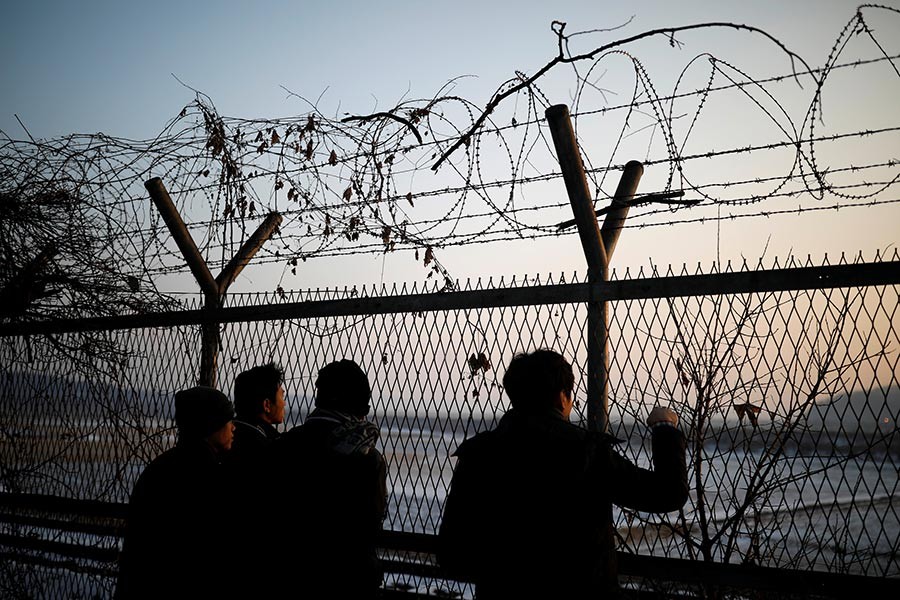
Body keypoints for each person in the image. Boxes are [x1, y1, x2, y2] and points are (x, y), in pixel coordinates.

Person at [438, 349, 689, 599]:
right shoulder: (587, 451)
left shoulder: (479, 453)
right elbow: (668, 493)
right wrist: (664, 427)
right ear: (562, 398)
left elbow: (452, 555)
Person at [276, 359, 388, 599]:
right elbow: (371, 521)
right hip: (347, 579)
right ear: (360, 406)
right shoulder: (367, 458)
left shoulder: (281, 446)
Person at [115, 386, 235, 600]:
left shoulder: (159, 468)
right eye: (228, 420)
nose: (233, 427)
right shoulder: (209, 476)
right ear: (211, 426)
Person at [226, 362, 286, 596]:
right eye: (282, 395)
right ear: (266, 405)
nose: (284, 402)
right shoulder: (269, 450)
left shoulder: (227, 441)